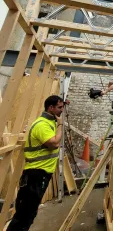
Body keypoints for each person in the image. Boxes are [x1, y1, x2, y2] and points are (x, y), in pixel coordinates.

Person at [7, 95, 64, 231]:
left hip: (39, 174)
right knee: (25, 214)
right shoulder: (42, 124)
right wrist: (61, 124)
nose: (62, 110)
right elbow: (54, 143)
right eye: (59, 107)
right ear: (50, 108)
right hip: (36, 174)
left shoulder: (50, 122)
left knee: (28, 213)